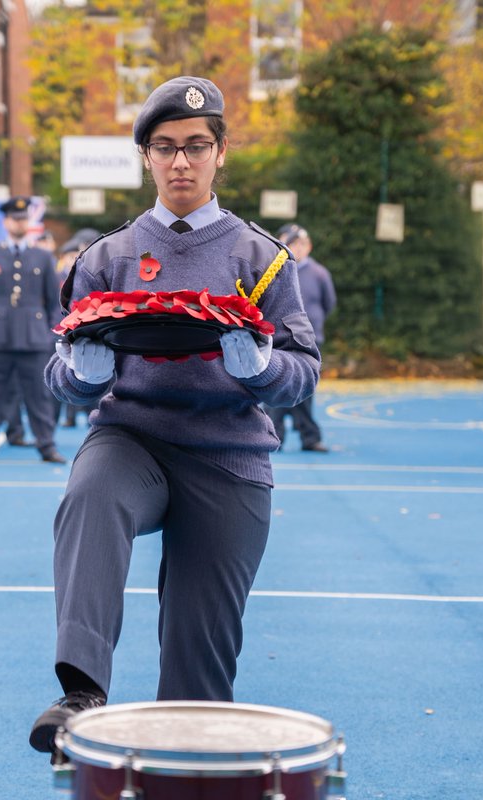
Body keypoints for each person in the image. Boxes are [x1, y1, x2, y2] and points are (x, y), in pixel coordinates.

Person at [28, 76, 320, 753]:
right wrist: (80, 374)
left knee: (198, 678)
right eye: (165, 147)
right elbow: (58, 373)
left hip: (229, 455)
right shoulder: (105, 258)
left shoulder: (263, 260)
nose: (180, 161)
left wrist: (264, 369)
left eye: (196, 145)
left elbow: (301, 374)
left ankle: (185, 761)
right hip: (134, 436)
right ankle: (81, 689)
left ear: (222, 153)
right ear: (147, 158)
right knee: (90, 493)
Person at [0, 196, 65, 464]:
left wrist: (48, 332)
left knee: (38, 395)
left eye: (23, 218)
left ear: (28, 222)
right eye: (14, 218)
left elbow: (53, 300)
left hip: (33, 338)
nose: (18, 223)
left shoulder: (43, 257)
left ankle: (46, 445)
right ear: (5, 222)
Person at [266, 223, 335, 453]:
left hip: (311, 340)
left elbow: (328, 303)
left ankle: (309, 437)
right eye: (292, 241)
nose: (297, 247)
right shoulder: (272, 268)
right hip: (279, 339)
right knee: (277, 385)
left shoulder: (319, 273)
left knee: (306, 388)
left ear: (309, 246)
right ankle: (274, 436)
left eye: (301, 243)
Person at [53, 228, 100, 429]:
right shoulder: (60, 273)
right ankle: (69, 415)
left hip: (89, 327)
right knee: (68, 370)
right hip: (65, 327)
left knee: (94, 370)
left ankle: (93, 414)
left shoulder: (96, 266)